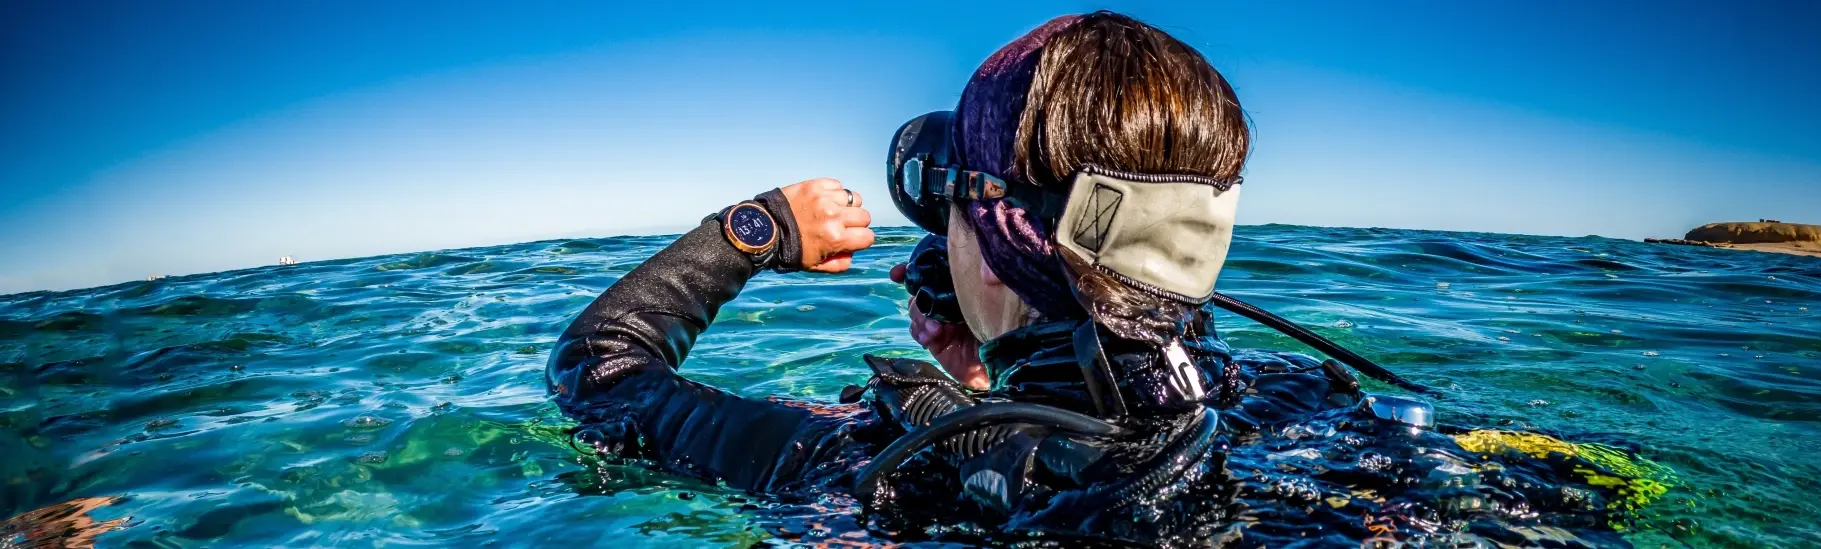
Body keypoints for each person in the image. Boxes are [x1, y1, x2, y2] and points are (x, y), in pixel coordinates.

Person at [549, 12, 1652, 546]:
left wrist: (752, 231)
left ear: (994, 227)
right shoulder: (1307, 402)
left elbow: (598, 375)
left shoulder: (893, 467)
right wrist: (999, 348)